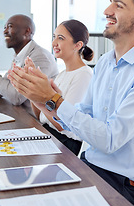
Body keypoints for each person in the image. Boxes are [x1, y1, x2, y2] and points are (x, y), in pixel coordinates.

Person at [7, 0, 134, 206]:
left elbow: (110, 139)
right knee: (16, 190)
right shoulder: (105, 62)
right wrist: (43, 99)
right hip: (88, 166)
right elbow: (75, 123)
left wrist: (54, 100)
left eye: (119, 6)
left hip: (123, 184)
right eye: (111, 3)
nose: (107, 11)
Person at [30, 19, 94, 155]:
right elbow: (41, 115)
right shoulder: (62, 74)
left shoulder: (84, 74)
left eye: (61, 38)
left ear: (78, 45)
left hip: (66, 145)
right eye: (54, 37)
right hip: (50, 136)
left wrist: (41, 95)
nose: (54, 43)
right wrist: (30, 86)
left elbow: (62, 125)